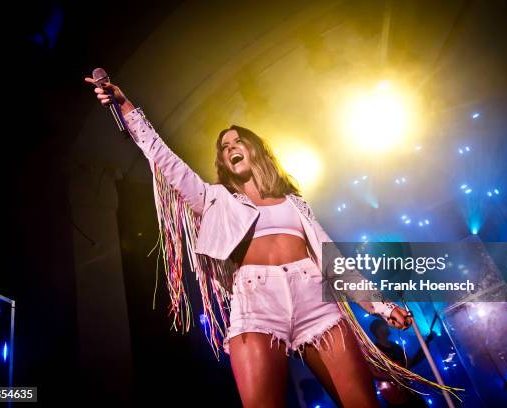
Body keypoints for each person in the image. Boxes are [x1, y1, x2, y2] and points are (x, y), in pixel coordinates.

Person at [84, 76, 458, 407]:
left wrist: (380, 305)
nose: (230, 147)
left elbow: (333, 261)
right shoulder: (215, 199)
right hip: (256, 303)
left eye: (237, 140)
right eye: (224, 146)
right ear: (224, 162)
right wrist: (127, 107)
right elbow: (164, 160)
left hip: (315, 300)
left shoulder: (295, 203)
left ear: (254, 148)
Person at [369, 318, 435, 408]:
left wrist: (426, 344)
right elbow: (374, 373)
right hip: (394, 395)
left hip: (407, 390)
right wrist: (395, 376)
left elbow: (409, 364)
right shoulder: (374, 351)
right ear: (378, 330)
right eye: (384, 325)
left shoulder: (395, 346)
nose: (388, 326)